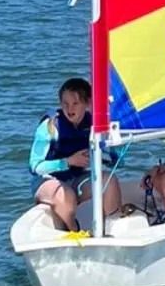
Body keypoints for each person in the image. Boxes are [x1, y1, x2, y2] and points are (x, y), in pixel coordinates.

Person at [29, 77, 121, 231]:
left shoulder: (94, 124)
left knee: (109, 181)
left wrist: (109, 151)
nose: (69, 109)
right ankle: (74, 232)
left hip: (76, 179)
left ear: (87, 104)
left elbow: (116, 161)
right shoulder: (50, 127)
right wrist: (68, 161)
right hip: (47, 181)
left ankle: (111, 229)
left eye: (75, 103)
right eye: (65, 104)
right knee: (67, 196)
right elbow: (35, 166)